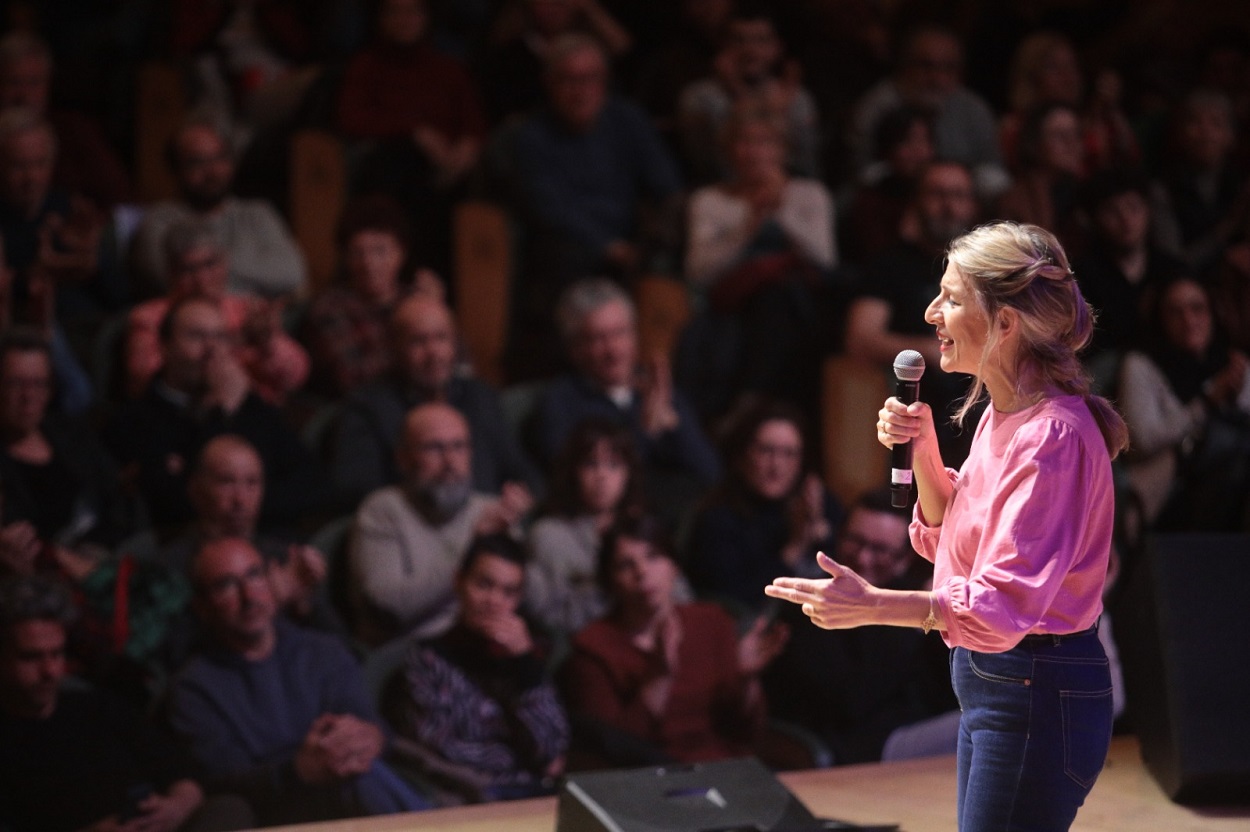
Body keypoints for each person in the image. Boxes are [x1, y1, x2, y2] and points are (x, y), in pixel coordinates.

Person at [767, 221, 1129, 831]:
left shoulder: (1051, 439)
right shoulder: (1003, 416)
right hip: (1001, 686)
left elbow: (997, 604)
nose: (932, 312)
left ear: (1006, 324)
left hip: (1037, 689)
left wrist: (873, 604)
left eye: (952, 298)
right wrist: (926, 451)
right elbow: (955, 535)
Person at [168, 537, 429, 826]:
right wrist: (298, 770)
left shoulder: (322, 651)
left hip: (344, 791)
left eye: (255, 575)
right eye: (226, 585)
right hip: (271, 808)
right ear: (202, 607)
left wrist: (371, 736)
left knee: (364, 773)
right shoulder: (193, 687)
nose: (248, 595)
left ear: (271, 580)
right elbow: (221, 780)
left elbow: (365, 722)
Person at [0, 574, 253, 832]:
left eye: (56, 654)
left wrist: (175, 807)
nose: (50, 671)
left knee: (229, 808)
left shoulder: (98, 707)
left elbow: (183, 773)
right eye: (30, 657)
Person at [561, 515, 788, 765]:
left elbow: (747, 734)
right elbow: (607, 753)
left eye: (653, 557)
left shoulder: (711, 622)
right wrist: (659, 678)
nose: (642, 572)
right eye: (626, 565)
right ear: (610, 581)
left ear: (674, 565)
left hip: (726, 772)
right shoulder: (593, 648)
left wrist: (746, 681)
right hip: (648, 782)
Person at [762, 487, 957, 765]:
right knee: (976, 729)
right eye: (855, 542)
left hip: (914, 731)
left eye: (880, 550)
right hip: (854, 746)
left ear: (904, 560)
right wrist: (914, 624)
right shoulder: (813, 599)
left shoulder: (913, 596)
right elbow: (851, 700)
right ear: (839, 537)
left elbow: (947, 688)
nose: (863, 558)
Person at [103, 296, 331, 533]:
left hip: (268, 543)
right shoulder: (135, 421)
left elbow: (313, 486)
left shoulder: (251, 406)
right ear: (164, 346)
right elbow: (184, 507)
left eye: (221, 337)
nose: (212, 349)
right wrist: (222, 415)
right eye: (197, 336)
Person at [680, 105, 838, 417]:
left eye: (765, 142)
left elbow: (825, 260)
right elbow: (698, 272)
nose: (755, 153)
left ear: (782, 149)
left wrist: (781, 210)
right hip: (731, 309)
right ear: (728, 150)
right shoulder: (709, 201)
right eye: (744, 142)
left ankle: (751, 404)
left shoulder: (809, 195)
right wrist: (749, 221)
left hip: (800, 311)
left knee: (779, 300)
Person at [396, 533, 568, 801]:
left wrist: (525, 665)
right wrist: (526, 759)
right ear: (459, 582)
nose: (494, 601)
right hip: (472, 799)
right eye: (484, 585)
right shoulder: (427, 659)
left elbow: (552, 746)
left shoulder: (526, 658)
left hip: (538, 796)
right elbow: (442, 748)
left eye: (508, 592)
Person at [348, 402, 533, 646]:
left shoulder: (491, 510)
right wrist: (472, 543)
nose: (449, 461)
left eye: (459, 447)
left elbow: (529, 603)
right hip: (411, 654)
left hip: (486, 647)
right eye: (434, 448)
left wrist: (521, 540)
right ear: (403, 458)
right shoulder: (382, 511)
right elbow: (389, 608)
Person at [330, 293, 542, 501]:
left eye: (441, 338)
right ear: (395, 348)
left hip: (491, 522)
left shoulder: (480, 397)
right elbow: (358, 490)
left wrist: (517, 500)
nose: (434, 353)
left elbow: (523, 473)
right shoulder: (368, 407)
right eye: (419, 341)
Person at [525, 418, 692, 636]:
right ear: (573, 472)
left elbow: (681, 594)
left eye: (614, 465)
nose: (602, 476)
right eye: (590, 464)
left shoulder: (642, 528)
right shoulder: (548, 535)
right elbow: (548, 615)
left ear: (627, 474)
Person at [124, 219, 310, 404]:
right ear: (171, 273)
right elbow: (147, 378)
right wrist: (236, 344)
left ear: (225, 264)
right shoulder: (149, 317)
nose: (201, 279)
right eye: (189, 269)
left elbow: (295, 376)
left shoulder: (249, 310)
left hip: (256, 416)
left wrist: (267, 345)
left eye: (209, 264)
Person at [1117, 274, 1250, 530]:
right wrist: (1207, 402)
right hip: (1167, 499)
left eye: (1197, 308)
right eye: (1175, 312)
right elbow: (1140, 441)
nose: (1189, 321)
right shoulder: (1141, 366)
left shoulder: (1231, 365)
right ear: (1160, 319)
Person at [686, 400, 841, 612]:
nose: (777, 466)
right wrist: (795, 548)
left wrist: (820, 530)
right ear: (742, 455)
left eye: (789, 454)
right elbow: (734, 600)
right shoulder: (717, 520)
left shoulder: (819, 504)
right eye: (766, 451)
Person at [128, 118, 307, 299]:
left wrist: (207, 264)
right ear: (176, 169)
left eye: (220, 158)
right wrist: (255, 281)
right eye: (198, 162)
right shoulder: (160, 221)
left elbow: (291, 274)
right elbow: (170, 283)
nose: (213, 171)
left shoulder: (257, 214)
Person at [301, 194, 441, 398]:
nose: (368, 264)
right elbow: (356, 379)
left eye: (380, 251)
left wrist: (435, 312)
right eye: (357, 253)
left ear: (401, 253)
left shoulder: (417, 299)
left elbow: (460, 366)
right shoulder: (331, 308)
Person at [675, 6, 822, 184]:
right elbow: (713, 166)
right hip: (723, 192)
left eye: (761, 40)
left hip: (786, 192)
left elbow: (804, 167)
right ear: (723, 45)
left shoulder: (796, 99)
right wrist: (738, 91)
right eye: (739, 40)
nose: (750, 50)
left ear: (777, 47)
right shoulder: (700, 98)